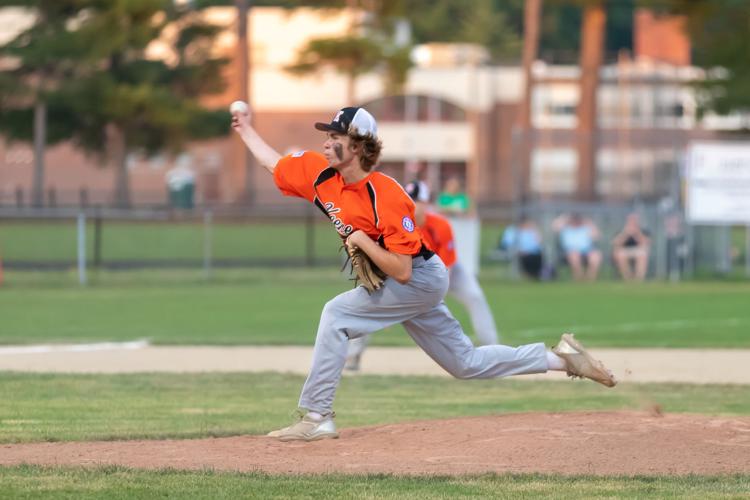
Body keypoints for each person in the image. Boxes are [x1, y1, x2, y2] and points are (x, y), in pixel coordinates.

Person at [231, 105, 617, 442]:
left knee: (336, 315)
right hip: (408, 282)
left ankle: (316, 417)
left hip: (420, 277)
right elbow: (274, 164)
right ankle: (562, 359)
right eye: (328, 136)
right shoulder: (319, 176)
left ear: (361, 146)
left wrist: (363, 242)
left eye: (337, 137)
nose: (327, 143)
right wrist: (246, 127)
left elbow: (400, 271)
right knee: (464, 363)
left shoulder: (387, 195)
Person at [345, 180, 500, 371]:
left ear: (427, 204)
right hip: (410, 273)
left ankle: (493, 350)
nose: (412, 204)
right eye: (408, 199)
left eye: (417, 201)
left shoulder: (440, 225)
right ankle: (353, 356)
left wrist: (429, 301)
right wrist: (388, 305)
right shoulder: (393, 225)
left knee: (475, 297)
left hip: (447, 271)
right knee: (371, 299)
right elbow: (389, 265)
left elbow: (446, 271)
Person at [552, 213, 602, 282]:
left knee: (596, 255)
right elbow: (555, 226)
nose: (576, 221)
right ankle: (579, 278)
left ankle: (590, 279)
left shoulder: (586, 228)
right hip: (570, 252)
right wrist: (566, 218)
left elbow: (597, 236)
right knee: (574, 255)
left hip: (587, 252)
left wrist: (589, 223)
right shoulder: (565, 229)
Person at [612, 212, 651, 282]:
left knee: (643, 254)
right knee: (620, 255)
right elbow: (616, 243)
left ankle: (638, 279)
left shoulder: (643, 230)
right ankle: (628, 279)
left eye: (634, 220)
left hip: (638, 250)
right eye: (631, 220)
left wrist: (637, 233)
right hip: (625, 250)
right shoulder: (621, 230)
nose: (632, 222)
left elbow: (646, 242)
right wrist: (625, 233)